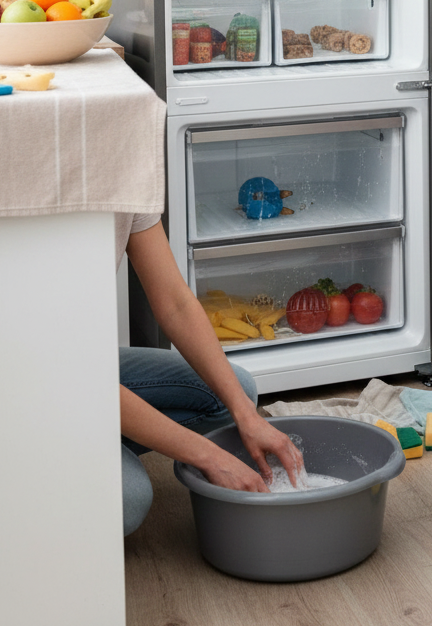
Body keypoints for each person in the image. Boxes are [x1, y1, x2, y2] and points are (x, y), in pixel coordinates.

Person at [117, 212, 304, 535]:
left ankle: (108, 438)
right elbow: (76, 378)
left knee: (236, 393)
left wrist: (247, 416)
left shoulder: (130, 176)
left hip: (87, 364)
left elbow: (175, 303)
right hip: (34, 380)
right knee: (127, 502)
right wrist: (210, 457)